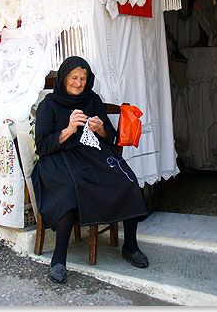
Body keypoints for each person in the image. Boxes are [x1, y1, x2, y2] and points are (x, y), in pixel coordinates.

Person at [31, 56, 149, 284]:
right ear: (63, 78)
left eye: (83, 78)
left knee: (127, 180)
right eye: (74, 78)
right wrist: (67, 130)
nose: (78, 83)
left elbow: (111, 136)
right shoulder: (49, 105)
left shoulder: (93, 100)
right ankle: (58, 259)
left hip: (91, 156)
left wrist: (101, 129)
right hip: (58, 159)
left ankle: (131, 246)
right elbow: (43, 146)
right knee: (68, 191)